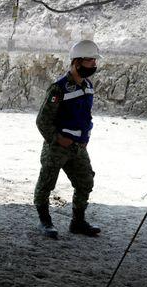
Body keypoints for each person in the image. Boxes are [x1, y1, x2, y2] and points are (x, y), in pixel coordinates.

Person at [34, 39, 102, 238]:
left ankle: (78, 222)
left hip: (79, 147)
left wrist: (86, 136)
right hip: (58, 146)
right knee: (46, 183)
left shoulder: (88, 86)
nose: (94, 66)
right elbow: (42, 121)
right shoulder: (59, 88)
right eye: (90, 61)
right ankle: (45, 222)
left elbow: (85, 116)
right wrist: (57, 139)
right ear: (77, 62)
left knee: (85, 182)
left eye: (94, 62)